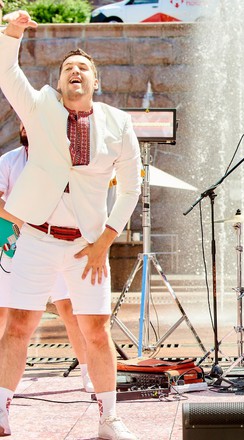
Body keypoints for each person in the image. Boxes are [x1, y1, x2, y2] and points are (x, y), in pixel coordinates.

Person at [0, 10, 141, 440]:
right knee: (18, 325)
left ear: (96, 82)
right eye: (67, 69)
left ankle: (109, 419)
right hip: (36, 239)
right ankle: (1, 411)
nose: (74, 72)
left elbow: (132, 189)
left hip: (88, 247)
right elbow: (7, 73)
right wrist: (12, 32)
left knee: (95, 331)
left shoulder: (119, 122)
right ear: (59, 83)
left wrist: (106, 241)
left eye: (83, 68)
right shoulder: (40, 106)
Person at [0, 122, 94, 393]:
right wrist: (28, 220)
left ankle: (88, 371)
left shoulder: (61, 163)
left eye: (31, 122)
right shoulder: (8, 161)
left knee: (70, 311)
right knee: (5, 314)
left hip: (57, 245)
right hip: (17, 248)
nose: (26, 127)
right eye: (22, 123)